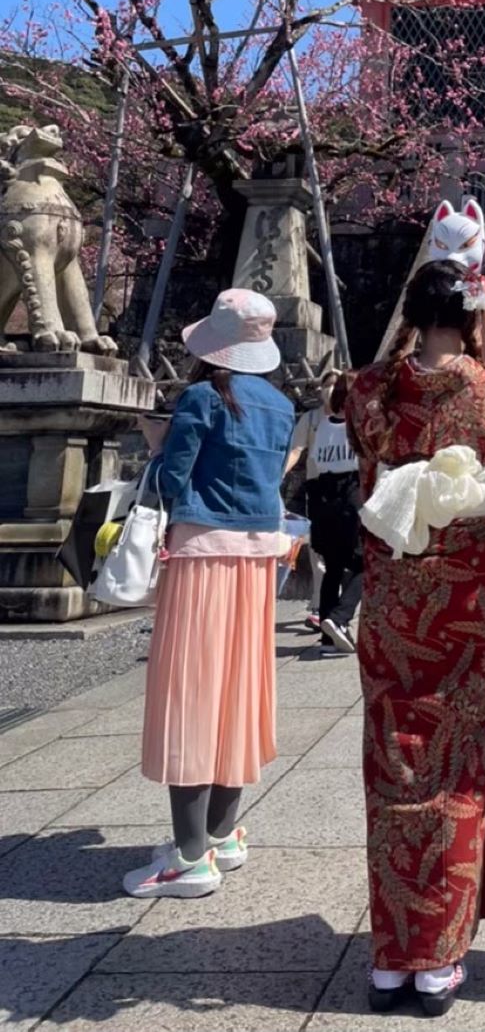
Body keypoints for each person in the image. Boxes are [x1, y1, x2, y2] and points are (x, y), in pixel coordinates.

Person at [345, 261, 485, 1014]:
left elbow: (362, 439)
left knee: (396, 763)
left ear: (412, 311)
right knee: (460, 766)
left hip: (396, 598)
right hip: (472, 601)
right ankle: (440, 961)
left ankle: (393, 959)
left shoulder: (367, 392)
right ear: (472, 315)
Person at [124, 289, 295, 900]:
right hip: (257, 558)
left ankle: (190, 857)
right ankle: (222, 833)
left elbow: (175, 476)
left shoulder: (201, 396)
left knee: (190, 694)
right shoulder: (279, 404)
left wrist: (158, 446)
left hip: (201, 554)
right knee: (237, 692)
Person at [292, 371, 363, 655]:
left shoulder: (321, 426)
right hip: (350, 497)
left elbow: (309, 459)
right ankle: (340, 618)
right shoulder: (356, 425)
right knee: (364, 563)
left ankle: (327, 635)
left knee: (333, 567)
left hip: (322, 498)